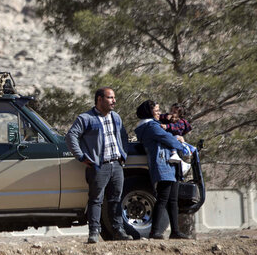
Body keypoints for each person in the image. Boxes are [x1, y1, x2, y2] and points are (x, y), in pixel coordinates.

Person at [65, 87, 133, 244]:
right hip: (98, 167)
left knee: (116, 199)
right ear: (99, 99)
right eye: (110, 98)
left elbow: (123, 136)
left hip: (116, 165)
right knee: (96, 200)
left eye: (114, 98)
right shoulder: (86, 118)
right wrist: (82, 157)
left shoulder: (116, 117)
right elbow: (71, 136)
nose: (114, 101)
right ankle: (94, 233)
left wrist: (123, 155)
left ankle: (118, 230)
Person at [135, 100, 192, 240]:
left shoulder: (150, 125)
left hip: (168, 164)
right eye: (157, 110)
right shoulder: (151, 126)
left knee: (172, 199)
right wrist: (182, 145)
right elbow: (167, 138)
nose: (160, 113)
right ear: (149, 111)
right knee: (162, 198)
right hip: (162, 164)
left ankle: (175, 231)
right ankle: (155, 231)